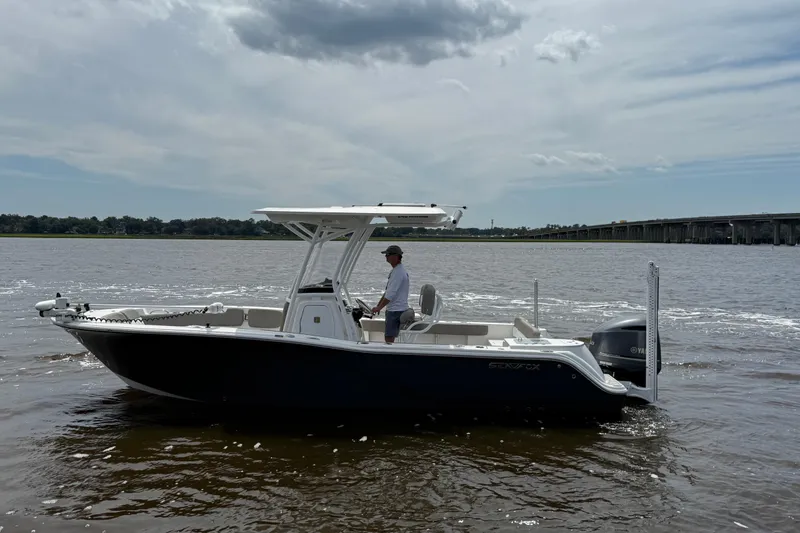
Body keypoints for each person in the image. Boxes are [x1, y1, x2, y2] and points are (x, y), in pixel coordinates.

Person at [371, 244, 410, 343]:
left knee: (389, 338)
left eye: (388, 254)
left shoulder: (398, 273)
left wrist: (379, 308)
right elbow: (387, 291)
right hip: (396, 309)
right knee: (389, 336)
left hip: (396, 310)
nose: (386, 256)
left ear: (396, 256)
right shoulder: (397, 270)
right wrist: (378, 306)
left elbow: (390, 294)